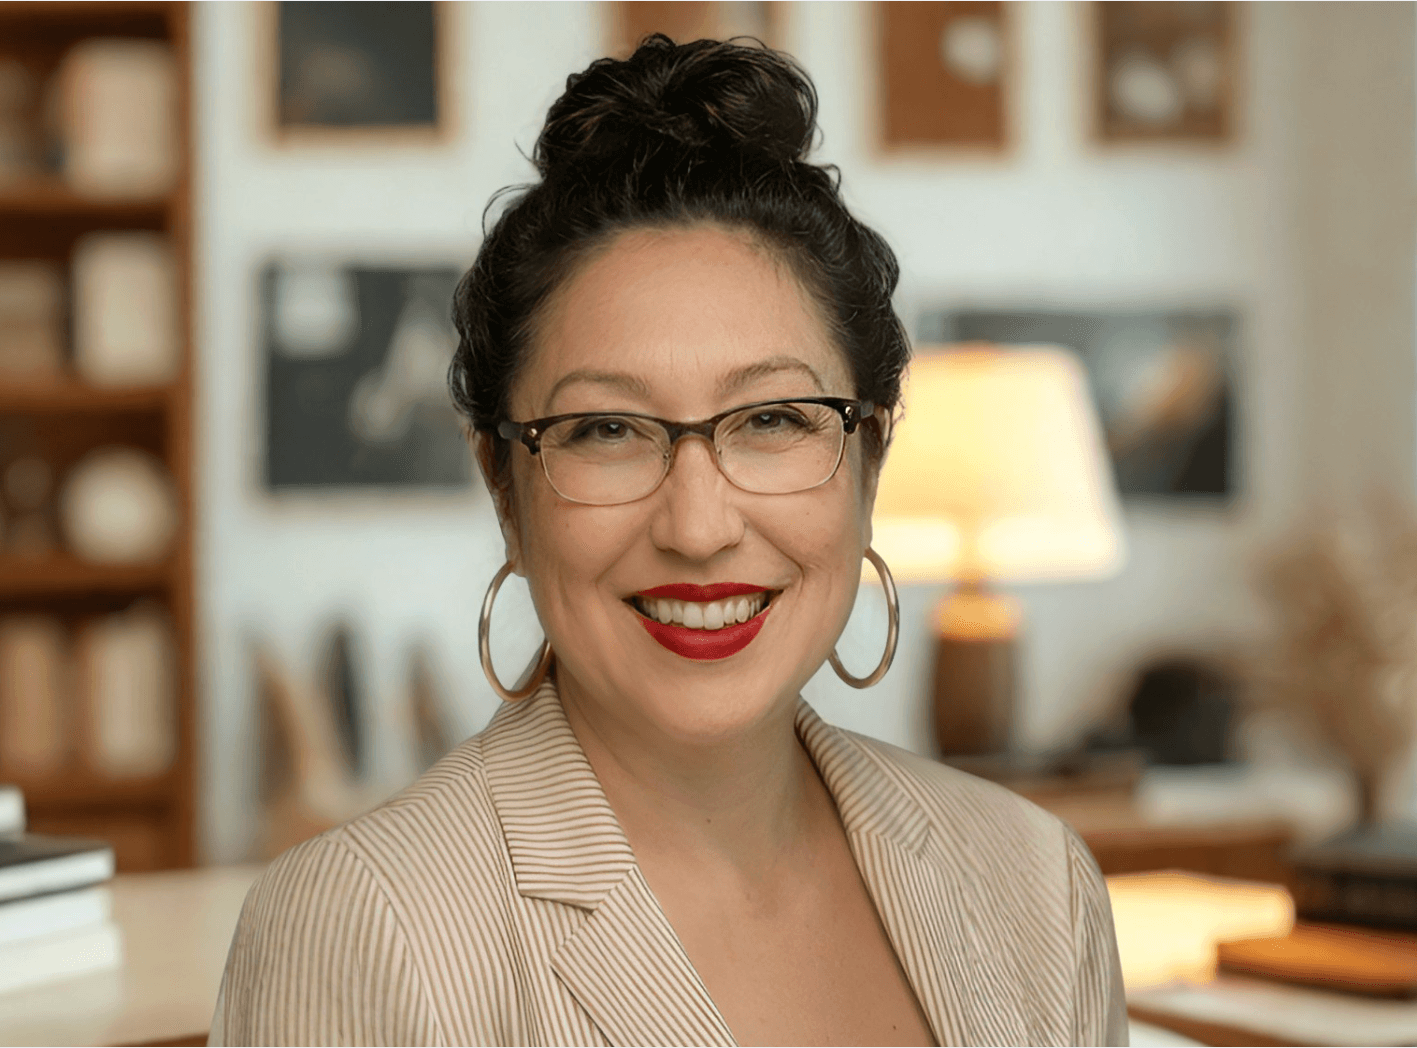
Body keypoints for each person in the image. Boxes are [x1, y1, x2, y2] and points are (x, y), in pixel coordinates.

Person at [211, 35, 1126, 1048]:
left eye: (773, 419)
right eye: (604, 430)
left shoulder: (1039, 887)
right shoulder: (363, 925)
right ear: (504, 487)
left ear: (867, 460)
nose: (697, 527)